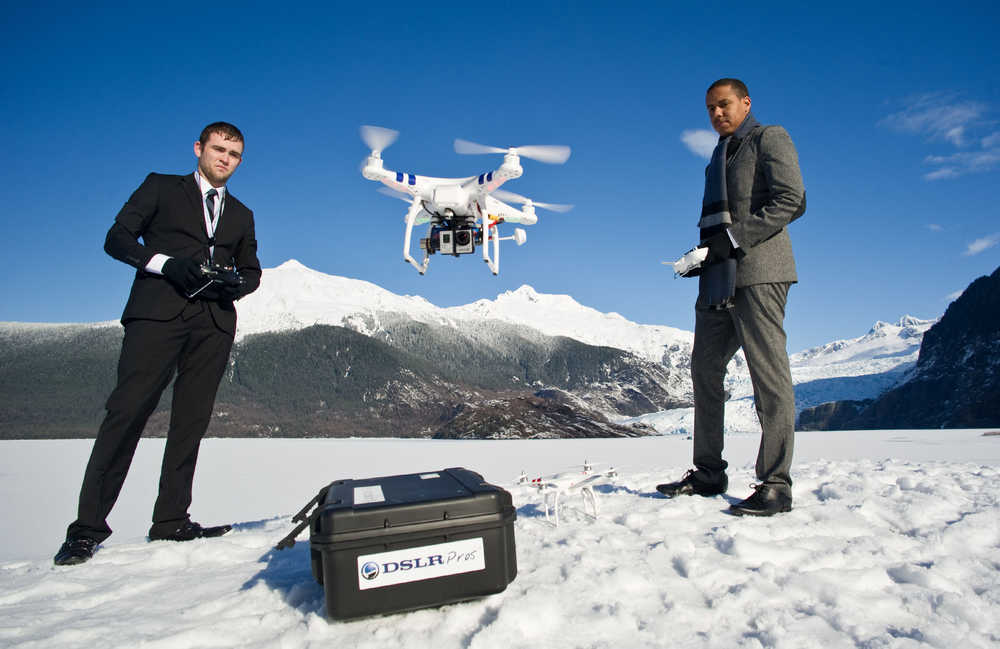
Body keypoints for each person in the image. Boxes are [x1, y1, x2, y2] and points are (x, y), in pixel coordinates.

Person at [54, 122, 262, 565]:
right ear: (199, 149)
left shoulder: (242, 214)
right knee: (126, 415)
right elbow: (117, 239)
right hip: (156, 316)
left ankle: (171, 521)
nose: (225, 158)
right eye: (218, 149)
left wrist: (235, 284)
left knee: (191, 423)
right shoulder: (161, 188)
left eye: (234, 154)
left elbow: (253, 272)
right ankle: (86, 530)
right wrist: (166, 264)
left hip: (214, 324)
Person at [657, 79, 806, 516]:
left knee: (768, 378)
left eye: (724, 105)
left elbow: (791, 200)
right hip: (718, 277)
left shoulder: (768, 138)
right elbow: (719, 223)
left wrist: (732, 241)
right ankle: (708, 473)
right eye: (709, 109)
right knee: (704, 368)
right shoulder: (718, 156)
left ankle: (776, 484)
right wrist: (704, 257)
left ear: (745, 103)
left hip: (760, 273)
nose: (716, 114)